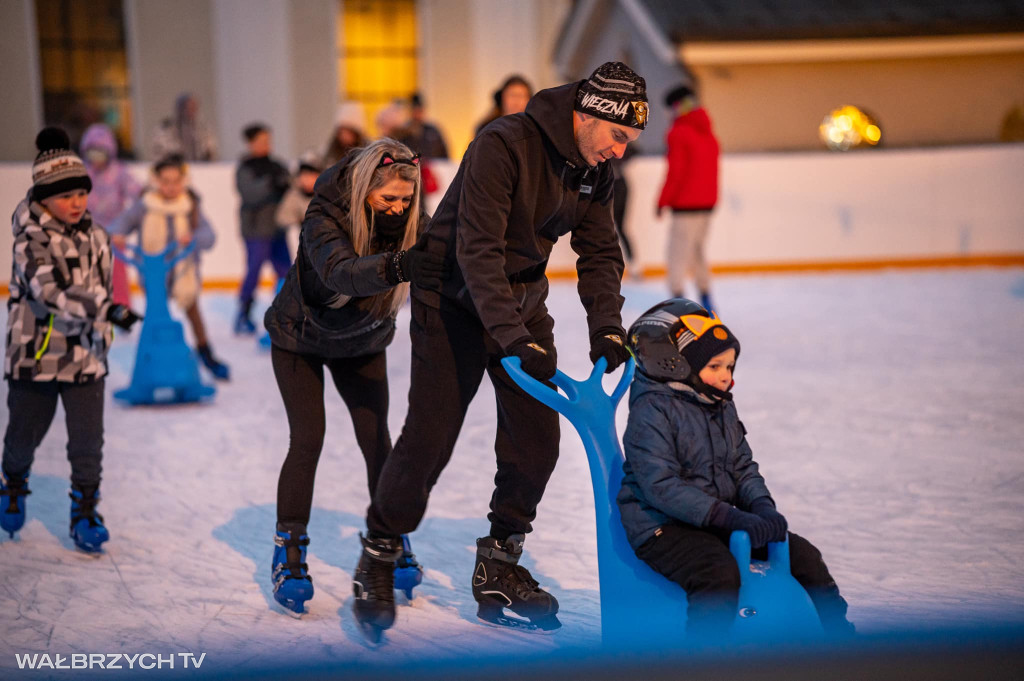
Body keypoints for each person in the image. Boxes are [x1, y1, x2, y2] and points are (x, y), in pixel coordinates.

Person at [351, 61, 648, 639]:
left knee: (537, 440)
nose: (620, 151)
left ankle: (500, 561)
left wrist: (607, 328)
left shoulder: (593, 169)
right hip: (452, 297)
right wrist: (513, 338)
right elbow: (478, 249)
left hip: (521, 298)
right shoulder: (503, 143)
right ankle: (381, 550)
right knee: (430, 437)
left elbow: (600, 251)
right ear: (589, 115)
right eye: (618, 136)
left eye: (630, 143)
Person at [263, 138, 446, 615]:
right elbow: (339, 272)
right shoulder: (324, 215)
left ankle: (392, 539)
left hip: (361, 342)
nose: (398, 208)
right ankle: (289, 549)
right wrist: (401, 264)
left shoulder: (412, 221)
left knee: (376, 439)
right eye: (388, 199)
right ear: (365, 189)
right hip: (298, 338)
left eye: (407, 200)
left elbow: (455, 257)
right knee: (308, 438)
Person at [619, 297, 854, 638]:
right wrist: (726, 516)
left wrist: (761, 507)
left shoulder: (719, 405)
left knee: (803, 555)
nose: (726, 378)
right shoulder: (652, 411)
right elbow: (661, 487)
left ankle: (842, 639)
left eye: (729, 367)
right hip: (661, 525)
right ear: (677, 365)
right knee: (717, 572)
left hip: (715, 517)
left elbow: (742, 466)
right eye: (715, 367)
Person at [0, 128, 142, 551]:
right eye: (65, 196)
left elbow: (100, 283)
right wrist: (107, 308)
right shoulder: (30, 241)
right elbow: (51, 291)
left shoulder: (99, 238)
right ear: (43, 198)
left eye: (82, 192)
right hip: (36, 356)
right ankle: (13, 482)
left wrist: (103, 331)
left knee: (87, 444)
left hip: (85, 358)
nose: (77, 202)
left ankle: (84, 510)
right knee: (24, 438)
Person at [108, 154, 229, 380]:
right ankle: (152, 358)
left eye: (176, 181)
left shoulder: (190, 206)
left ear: (184, 181)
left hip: (184, 273)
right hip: (154, 276)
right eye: (165, 181)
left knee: (194, 315)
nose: (171, 187)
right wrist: (117, 235)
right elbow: (122, 222)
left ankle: (206, 353)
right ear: (156, 181)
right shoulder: (145, 205)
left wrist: (192, 237)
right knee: (155, 318)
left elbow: (209, 236)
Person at [656, 84, 720, 312]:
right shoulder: (707, 131)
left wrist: (662, 201)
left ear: (676, 107)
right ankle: (706, 298)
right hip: (707, 205)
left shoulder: (678, 132)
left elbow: (675, 173)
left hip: (685, 206)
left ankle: (676, 303)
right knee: (697, 251)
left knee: (677, 254)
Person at [234, 123, 292, 334]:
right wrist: (271, 184)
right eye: (260, 141)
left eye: (267, 141)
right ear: (250, 144)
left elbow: (291, 188)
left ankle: (285, 312)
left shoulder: (277, 165)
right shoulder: (246, 168)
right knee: (253, 271)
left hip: (277, 229)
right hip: (256, 230)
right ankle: (244, 312)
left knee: (286, 272)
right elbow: (249, 195)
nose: (265, 145)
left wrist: (286, 183)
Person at [80, 123, 142, 307]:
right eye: (92, 153)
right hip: (86, 231)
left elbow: (137, 192)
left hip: (114, 233)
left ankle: (121, 308)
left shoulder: (119, 172)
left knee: (117, 274)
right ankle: (91, 308)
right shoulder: (82, 171)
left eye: (101, 153)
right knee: (87, 272)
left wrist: (148, 195)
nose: (96, 159)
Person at [275, 151, 322, 259]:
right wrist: (300, 221)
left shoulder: (327, 194)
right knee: (292, 232)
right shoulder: (293, 194)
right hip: (303, 241)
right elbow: (282, 217)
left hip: (324, 239)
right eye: (303, 175)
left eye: (311, 174)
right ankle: (298, 268)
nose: (306, 179)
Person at [151, 92, 218, 162]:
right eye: (188, 107)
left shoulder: (204, 128)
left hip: (200, 167)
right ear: (179, 108)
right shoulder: (166, 127)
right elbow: (162, 150)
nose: (191, 111)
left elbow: (210, 149)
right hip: (174, 167)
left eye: (194, 107)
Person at [398, 93, 449, 160]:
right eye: (415, 111)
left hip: (431, 168)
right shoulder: (402, 132)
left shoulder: (433, 131)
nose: (417, 115)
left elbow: (445, 155)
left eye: (419, 111)